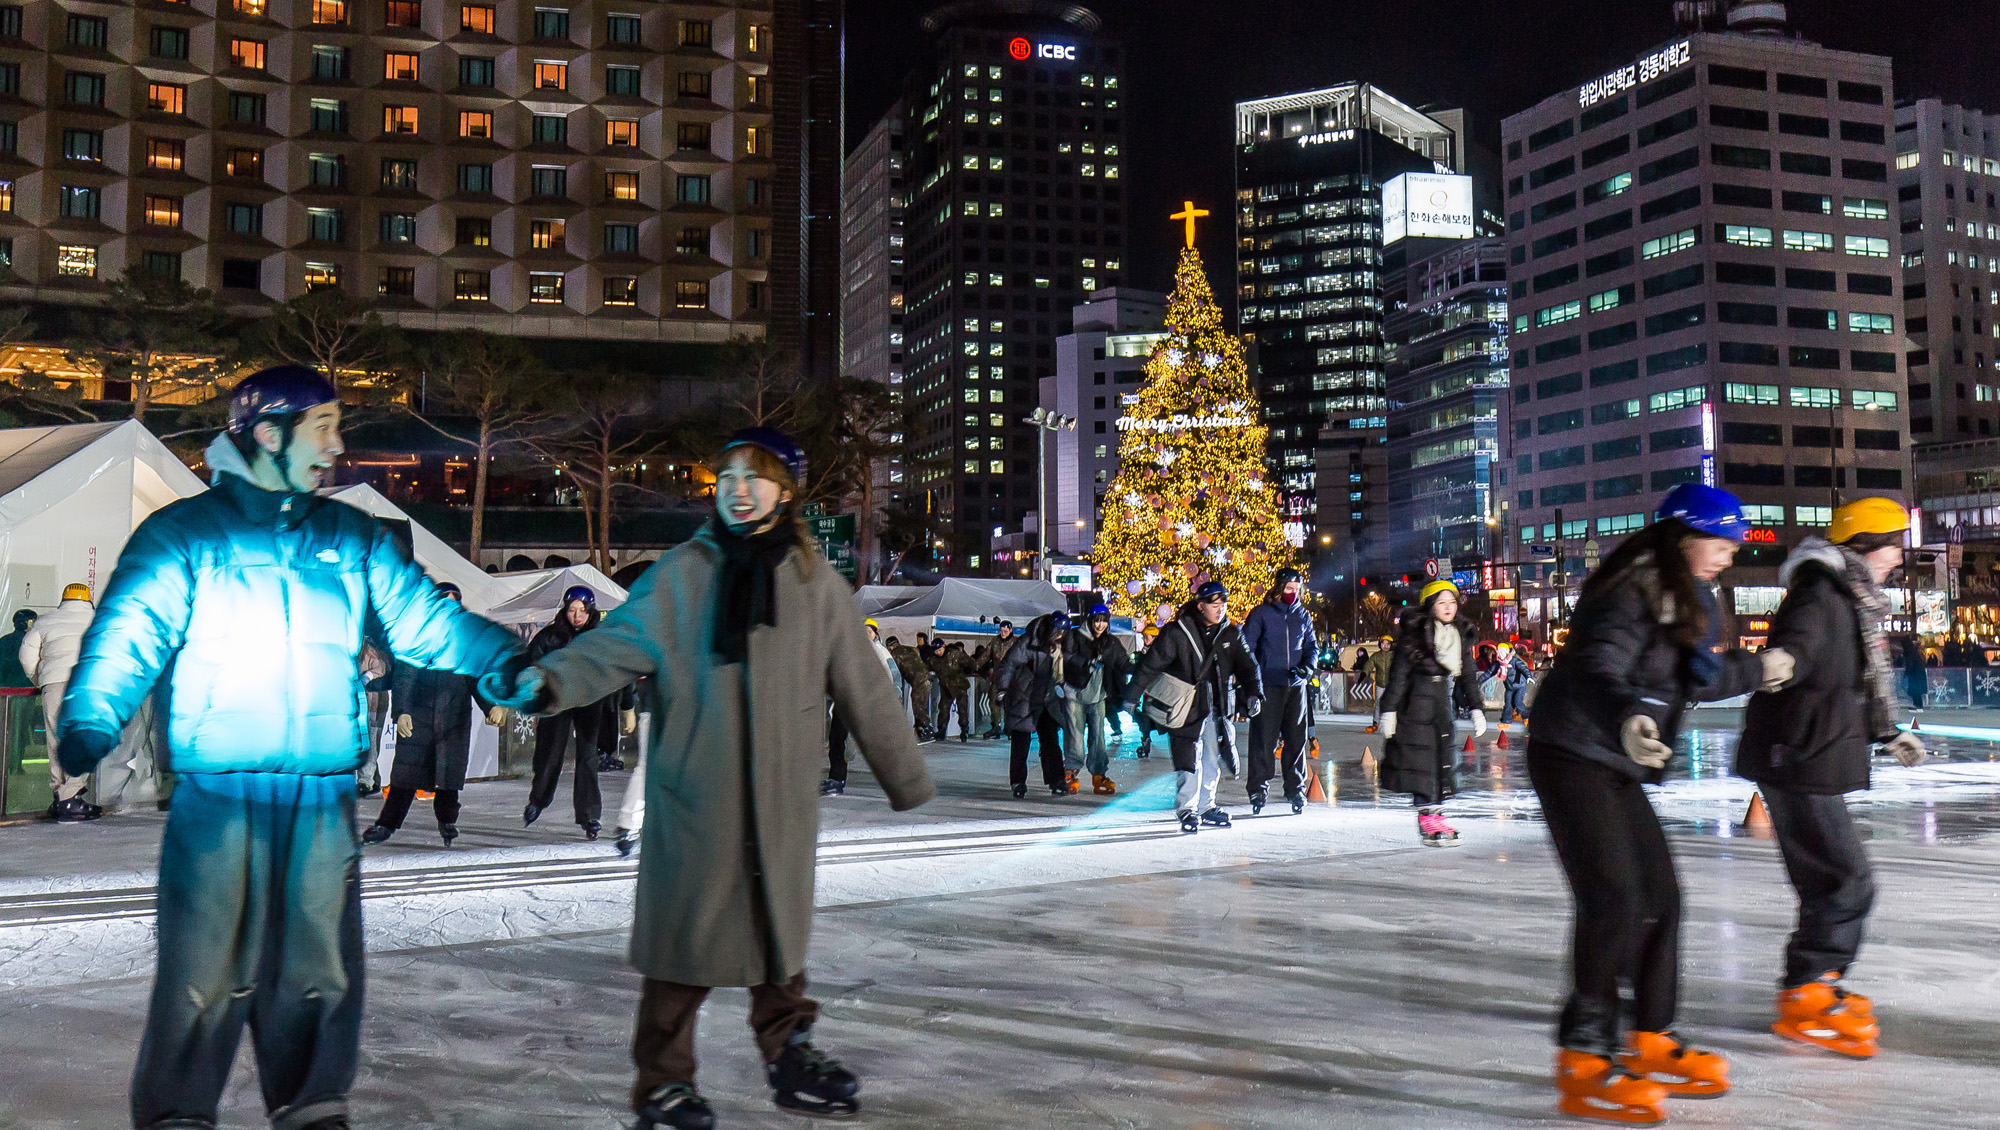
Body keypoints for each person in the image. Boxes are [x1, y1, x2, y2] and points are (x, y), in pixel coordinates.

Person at [55, 364, 523, 1130]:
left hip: (319, 791)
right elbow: (129, 631)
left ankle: (311, 1103)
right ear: (269, 434)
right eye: (323, 428)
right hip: (220, 792)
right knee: (204, 961)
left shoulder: (350, 537)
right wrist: (89, 717)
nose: (336, 448)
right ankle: (178, 1111)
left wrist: (504, 658)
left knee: (316, 962)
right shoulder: (185, 534)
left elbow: (424, 622)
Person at [485, 426, 934, 1128]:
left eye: (756, 478)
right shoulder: (684, 574)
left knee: (777, 937)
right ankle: (664, 1083)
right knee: (682, 949)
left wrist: (905, 775)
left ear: (785, 492)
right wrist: (548, 681)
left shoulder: (816, 584)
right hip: (697, 792)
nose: (740, 492)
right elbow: (614, 644)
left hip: (779, 796)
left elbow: (865, 687)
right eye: (727, 480)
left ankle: (790, 1051)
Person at [1523, 483, 1790, 1124]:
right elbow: (1596, 666)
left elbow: (1697, 676)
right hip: (1572, 753)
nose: (1728, 555)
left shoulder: (1687, 597)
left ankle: (1651, 1036)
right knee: (1614, 900)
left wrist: (1761, 669)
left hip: (1616, 760)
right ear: (1683, 537)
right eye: (1720, 543)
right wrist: (1627, 716)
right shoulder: (1633, 588)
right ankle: (1584, 1057)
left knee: (1662, 899)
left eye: (1734, 546)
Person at [1737, 498, 1927, 1059]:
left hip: (1807, 752)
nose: (1899, 558)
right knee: (1845, 880)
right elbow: (1798, 650)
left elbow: (1850, 678)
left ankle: (1813, 986)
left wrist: (1886, 733)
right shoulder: (1822, 592)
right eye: (1894, 546)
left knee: (1834, 880)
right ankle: (1808, 992)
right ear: (1866, 545)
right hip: (1797, 754)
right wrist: (1782, 662)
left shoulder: (1846, 595)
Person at [361, 582, 507, 847]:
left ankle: (447, 821)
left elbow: (476, 678)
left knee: (448, 778)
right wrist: (402, 712)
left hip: (453, 717)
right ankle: (386, 825)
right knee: (405, 777)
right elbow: (404, 676)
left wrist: (491, 705)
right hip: (419, 718)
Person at [1127, 580, 1261, 834]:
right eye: (1214, 605)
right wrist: (1132, 695)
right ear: (1200, 606)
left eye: (1223, 605)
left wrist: (1254, 693)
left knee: (1213, 756)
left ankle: (1207, 806)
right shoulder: (1178, 632)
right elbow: (1152, 664)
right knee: (1188, 758)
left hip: (1217, 706)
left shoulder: (1230, 633)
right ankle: (1187, 808)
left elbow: (1248, 666)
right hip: (1185, 706)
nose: (1220, 610)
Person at [524, 585, 637, 840]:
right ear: (564, 611)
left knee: (588, 757)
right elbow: (530, 667)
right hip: (557, 701)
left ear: (591, 611)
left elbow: (622, 669)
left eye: (582, 611)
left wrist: (628, 706)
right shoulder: (550, 637)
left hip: (590, 702)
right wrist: (532, 702)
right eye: (572, 610)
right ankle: (538, 800)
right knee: (549, 754)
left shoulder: (602, 637)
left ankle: (589, 815)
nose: (577, 616)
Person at [1378, 579, 1484, 845]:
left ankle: (1437, 813)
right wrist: (1388, 710)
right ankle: (1427, 816)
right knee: (1422, 761)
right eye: (1441, 603)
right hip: (1416, 704)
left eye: (1452, 602)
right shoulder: (1415, 634)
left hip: (1442, 703)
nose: (1448, 607)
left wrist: (1476, 707)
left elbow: (1468, 676)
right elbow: (1399, 675)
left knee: (1442, 758)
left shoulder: (1460, 633)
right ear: (1430, 605)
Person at [1240, 567, 1317, 815]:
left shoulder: (1303, 615)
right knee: (1263, 740)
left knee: (1296, 740)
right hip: (1268, 687)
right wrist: (1254, 680)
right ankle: (1258, 788)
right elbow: (1247, 648)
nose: (1293, 593)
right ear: (1278, 588)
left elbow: (1312, 647)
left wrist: (1307, 668)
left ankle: (1295, 788)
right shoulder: (1261, 614)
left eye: (1297, 589)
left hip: (1296, 687)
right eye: (1289, 588)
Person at [22, 583, 101, 822]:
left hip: (54, 683)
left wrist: (41, 679)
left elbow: (26, 655)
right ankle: (71, 798)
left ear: (63, 600)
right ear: (88, 600)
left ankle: (60, 796)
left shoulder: (46, 621)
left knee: (56, 739)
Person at [997, 611, 1072, 797]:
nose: (1060, 636)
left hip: (1047, 698)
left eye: (1064, 633)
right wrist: (1003, 688)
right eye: (1058, 632)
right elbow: (1009, 663)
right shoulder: (1030, 641)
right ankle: (1018, 782)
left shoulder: (1062, 646)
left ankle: (1056, 779)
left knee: (1050, 740)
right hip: (1025, 695)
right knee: (1021, 741)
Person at [1062, 603, 1130, 795]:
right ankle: (1071, 771)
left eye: (1104, 621)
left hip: (1098, 696)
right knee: (1075, 736)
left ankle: (1099, 773)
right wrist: (1087, 662)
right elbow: (1066, 656)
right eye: (1097, 621)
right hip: (1075, 693)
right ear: (1090, 621)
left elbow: (1123, 663)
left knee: (1098, 737)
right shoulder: (1075, 636)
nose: (1100, 625)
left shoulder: (1111, 642)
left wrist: (1141, 667)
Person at [825, 618, 899, 795]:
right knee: (837, 737)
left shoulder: (879, 651)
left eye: (869, 631)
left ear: (875, 634)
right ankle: (836, 779)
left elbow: (893, 675)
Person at [354, 639, 393, 797]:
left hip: (374, 702)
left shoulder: (369, 648)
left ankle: (365, 781)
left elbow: (382, 666)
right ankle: (373, 780)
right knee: (367, 741)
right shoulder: (353, 649)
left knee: (370, 740)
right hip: (361, 703)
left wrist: (367, 677)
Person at [887, 634, 935, 741]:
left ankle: (926, 730)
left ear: (891, 646)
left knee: (918, 705)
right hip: (927, 677)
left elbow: (894, 671)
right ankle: (920, 729)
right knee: (921, 703)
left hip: (918, 679)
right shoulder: (913, 649)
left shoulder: (894, 654)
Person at [974, 620, 1017, 738]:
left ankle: (1010, 728)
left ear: (1011, 630)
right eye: (1001, 631)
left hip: (1012, 679)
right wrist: (975, 665)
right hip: (997, 678)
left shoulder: (1016, 643)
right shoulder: (995, 641)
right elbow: (985, 656)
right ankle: (996, 726)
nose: (1003, 633)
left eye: (1005, 631)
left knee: (1009, 703)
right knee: (993, 701)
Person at [1363, 637, 1394, 732]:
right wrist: (1364, 672)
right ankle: (1375, 723)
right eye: (1383, 644)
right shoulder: (1376, 656)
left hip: (1391, 684)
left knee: (1393, 704)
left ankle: (1394, 724)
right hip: (1380, 684)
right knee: (1378, 704)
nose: (1385, 646)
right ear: (1380, 645)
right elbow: (1369, 665)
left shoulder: (1394, 656)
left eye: (1388, 644)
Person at [0, 608, 37, 688]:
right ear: (24, 623)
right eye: (32, 621)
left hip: (6, 686)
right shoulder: (32, 640)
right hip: (28, 685)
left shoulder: (4, 639)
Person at [1501, 643, 1535, 724]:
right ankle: (1508, 717)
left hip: (1518, 683)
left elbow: (1523, 668)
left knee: (1517, 701)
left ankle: (1523, 715)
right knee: (1509, 701)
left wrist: (1526, 677)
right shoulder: (1504, 660)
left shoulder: (1514, 659)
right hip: (1511, 684)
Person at [1902, 636, 1929, 710]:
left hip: (1915, 675)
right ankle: (1918, 704)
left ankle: (1917, 704)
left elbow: (1911, 664)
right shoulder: (1916, 654)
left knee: (1915, 689)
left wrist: (1907, 672)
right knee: (1916, 690)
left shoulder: (1911, 654)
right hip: (1917, 674)